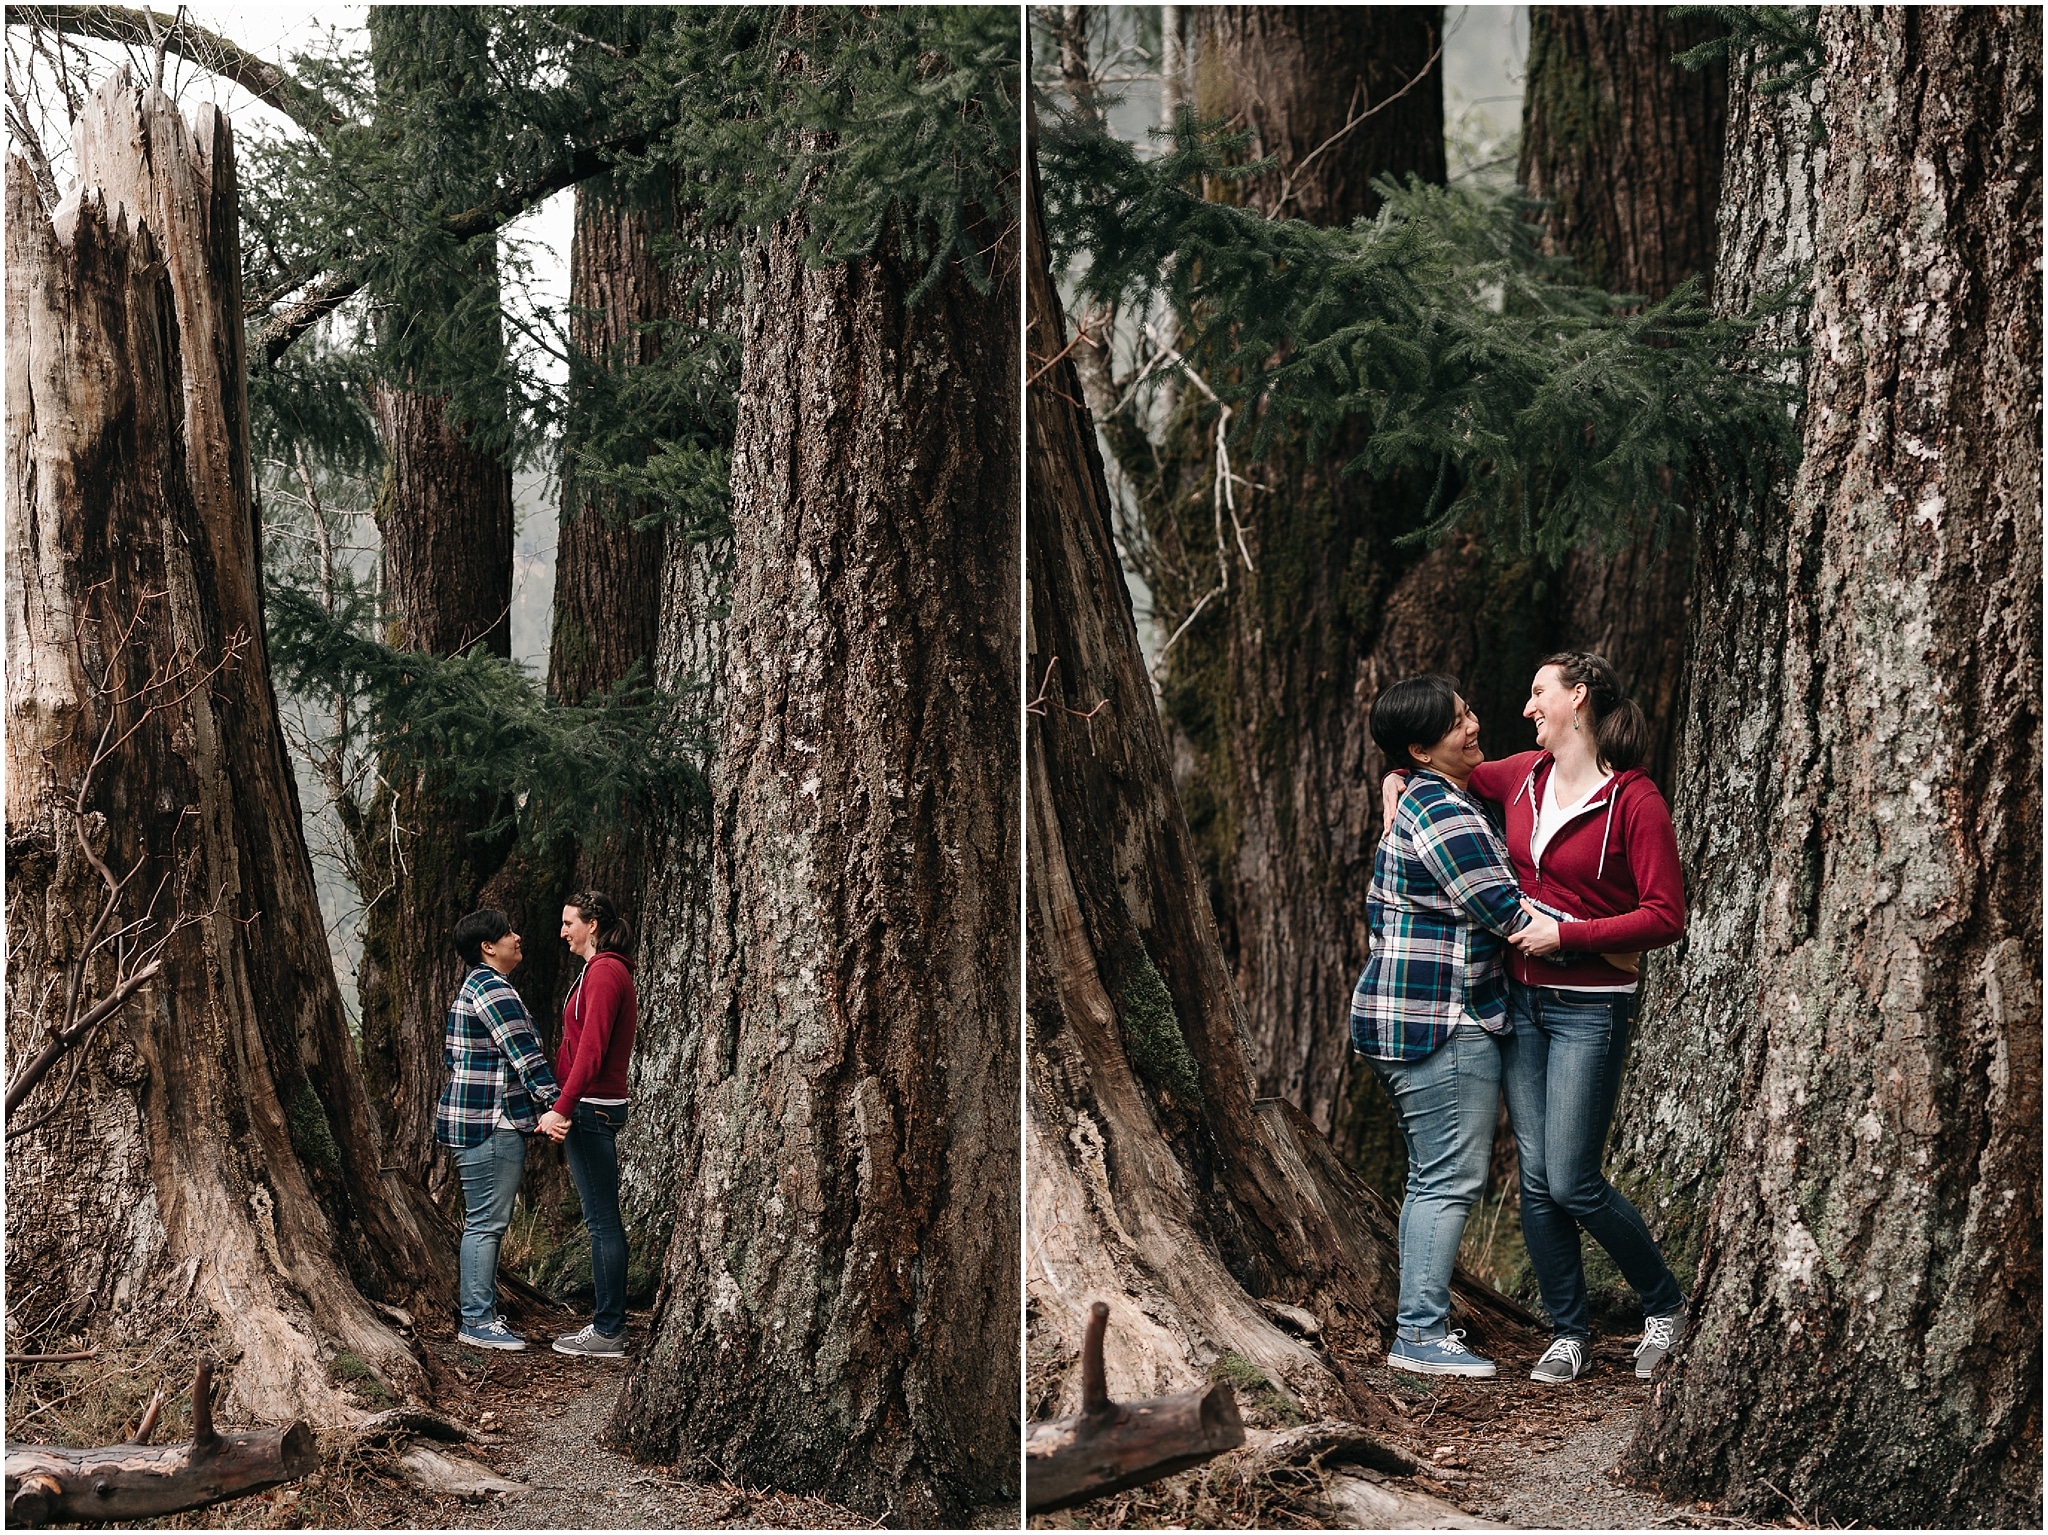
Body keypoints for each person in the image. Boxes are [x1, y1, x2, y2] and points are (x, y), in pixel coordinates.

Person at [1385, 651, 1688, 1385]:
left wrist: (1572, 936)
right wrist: (1393, 780)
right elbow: (1430, 775)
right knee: (1537, 1178)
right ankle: (1568, 1330)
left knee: (1575, 1179)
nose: (1525, 707)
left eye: (1538, 692)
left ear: (1577, 699)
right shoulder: (1520, 774)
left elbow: (1666, 916)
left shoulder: (1635, 800)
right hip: (1519, 1000)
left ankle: (1665, 1304)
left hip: (1590, 1008)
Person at [1350, 674, 1534, 1379]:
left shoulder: (1428, 794)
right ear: (1423, 747)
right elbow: (1507, 910)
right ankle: (1421, 1333)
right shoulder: (1443, 813)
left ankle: (1421, 1326)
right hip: (1440, 1023)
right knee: (1447, 1178)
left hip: (1416, 1018)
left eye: (1469, 709)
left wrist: (1399, 771)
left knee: (1436, 1175)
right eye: (1459, 721)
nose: (1476, 724)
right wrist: (1618, 931)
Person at [436, 909, 560, 1351]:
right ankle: (477, 1321)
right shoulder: (492, 988)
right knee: (487, 1223)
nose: (517, 936)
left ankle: (480, 1315)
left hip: (482, 1118)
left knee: (484, 1221)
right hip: (491, 1122)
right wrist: (559, 1105)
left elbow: (455, 1058)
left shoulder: (478, 987)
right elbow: (525, 1056)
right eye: (508, 932)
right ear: (488, 947)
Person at [536, 889, 639, 1358]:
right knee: (602, 1220)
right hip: (591, 1105)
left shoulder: (605, 972)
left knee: (601, 1223)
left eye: (568, 922)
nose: (562, 932)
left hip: (592, 1108)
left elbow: (592, 1051)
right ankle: (608, 1325)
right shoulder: (600, 970)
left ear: (592, 923)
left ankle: (608, 1330)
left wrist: (563, 1106)